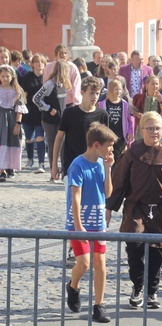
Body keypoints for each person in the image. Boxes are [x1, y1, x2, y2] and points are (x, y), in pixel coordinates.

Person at [106, 111, 162, 310]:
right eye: (150, 128)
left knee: (157, 252)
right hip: (136, 208)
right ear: (141, 130)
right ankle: (138, 286)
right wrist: (109, 208)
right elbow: (119, 182)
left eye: (158, 129)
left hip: (161, 209)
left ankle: (152, 291)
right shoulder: (132, 153)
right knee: (134, 247)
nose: (154, 132)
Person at [65, 123, 117, 323]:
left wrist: (109, 168)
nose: (111, 149)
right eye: (109, 145)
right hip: (79, 222)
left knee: (100, 263)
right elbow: (75, 197)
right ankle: (73, 286)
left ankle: (99, 305)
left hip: (98, 221)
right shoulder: (78, 165)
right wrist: (78, 225)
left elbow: (109, 192)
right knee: (84, 263)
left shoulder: (101, 164)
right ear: (97, 145)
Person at [52, 77, 109, 183]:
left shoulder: (102, 115)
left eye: (97, 93)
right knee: (74, 199)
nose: (95, 97)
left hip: (94, 164)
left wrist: (107, 166)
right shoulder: (69, 113)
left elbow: (106, 142)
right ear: (82, 93)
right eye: (91, 93)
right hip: (72, 163)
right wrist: (54, 164)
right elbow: (59, 137)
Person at [34, 59, 71, 179]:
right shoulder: (49, 84)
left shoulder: (64, 83)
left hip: (62, 118)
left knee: (63, 145)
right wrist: (48, 108)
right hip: (49, 120)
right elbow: (36, 99)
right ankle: (53, 172)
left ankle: (64, 171)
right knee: (52, 145)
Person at [19, 54, 46, 173]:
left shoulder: (47, 77)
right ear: (32, 64)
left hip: (41, 111)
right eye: (37, 62)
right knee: (29, 138)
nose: (39, 64)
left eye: (41, 62)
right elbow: (23, 92)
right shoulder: (27, 77)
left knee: (40, 137)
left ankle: (41, 163)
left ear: (44, 64)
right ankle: (30, 160)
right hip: (28, 110)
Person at [0, 64, 27, 181]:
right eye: (2, 76)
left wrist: (18, 124)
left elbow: (19, 109)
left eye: (7, 76)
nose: (5, 78)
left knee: (11, 142)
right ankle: (2, 169)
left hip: (11, 119)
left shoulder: (16, 91)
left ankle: (10, 166)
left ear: (12, 77)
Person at [97, 79, 134, 161]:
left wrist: (130, 131)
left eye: (120, 89)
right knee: (107, 156)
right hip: (107, 135)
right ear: (111, 90)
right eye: (116, 89)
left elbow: (129, 119)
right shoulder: (103, 104)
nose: (118, 91)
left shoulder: (124, 104)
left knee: (119, 157)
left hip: (120, 135)